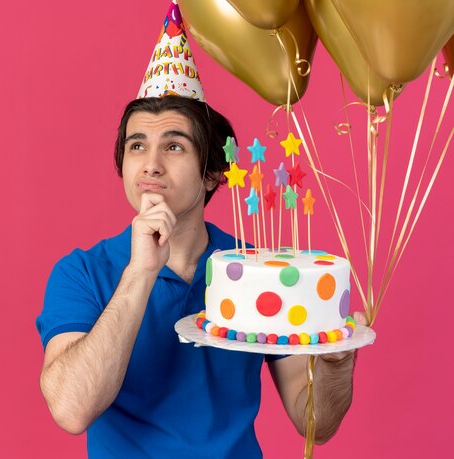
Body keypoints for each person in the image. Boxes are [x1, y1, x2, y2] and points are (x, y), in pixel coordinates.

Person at [37, 95, 366, 458]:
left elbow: (315, 425)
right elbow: (71, 410)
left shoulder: (253, 272)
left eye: (174, 146)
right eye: (137, 146)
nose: (151, 165)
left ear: (212, 174)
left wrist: (337, 364)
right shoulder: (81, 272)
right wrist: (141, 271)